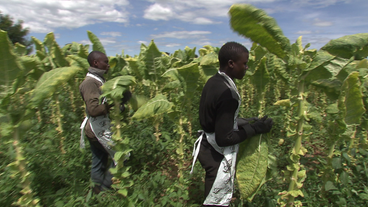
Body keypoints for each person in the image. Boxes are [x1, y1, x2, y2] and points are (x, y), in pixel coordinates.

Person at [190, 42, 273, 206]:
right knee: (215, 201)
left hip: (207, 147)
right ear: (231, 63)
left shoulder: (214, 81)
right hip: (216, 153)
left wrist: (247, 121)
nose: (247, 67)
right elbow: (224, 138)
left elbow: (218, 118)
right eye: (244, 63)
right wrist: (254, 129)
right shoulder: (228, 93)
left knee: (212, 192)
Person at [79, 51, 130, 194]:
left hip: (98, 128)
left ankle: (95, 193)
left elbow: (104, 101)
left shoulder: (98, 79)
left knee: (99, 161)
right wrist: (114, 103)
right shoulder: (90, 83)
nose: (108, 65)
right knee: (121, 156)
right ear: (95, 63)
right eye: (105, 62)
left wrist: (119, 103)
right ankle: (105, 190)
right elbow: (94, 109)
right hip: (97, 130)